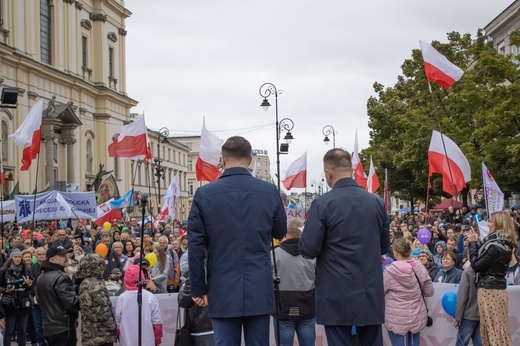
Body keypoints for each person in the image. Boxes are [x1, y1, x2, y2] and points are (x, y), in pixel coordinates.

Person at [188, 136, 287, 345]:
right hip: (258, 284)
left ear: (222, 160)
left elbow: (195, 245)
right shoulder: (268, 191)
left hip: (222, 286)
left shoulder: (204, 193)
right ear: (250, 160)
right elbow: (280, 230)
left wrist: (198, 287)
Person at [299, 148, 390, 345]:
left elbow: (307, 249)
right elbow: (384, 246)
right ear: (351, 170)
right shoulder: (375, 201)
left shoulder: (322, 204)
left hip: (336, 294)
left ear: (328, 173)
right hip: (369, 291)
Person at [468, 211, 515, 345]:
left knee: (493, 328)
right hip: (496, 288)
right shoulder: (504, 243)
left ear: (498, 224)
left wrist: (472, 244)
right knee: (496, 327)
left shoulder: (495, 246)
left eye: (490, 221)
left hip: (490, 290)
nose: (488, 225)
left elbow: (476, 265)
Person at [272, 218, 316, 346]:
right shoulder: (312, 255)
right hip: (307, 308)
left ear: (286, 233)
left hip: (283, 310)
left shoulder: (274, 255)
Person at [383, 238, 434, 345]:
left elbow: (380, 292)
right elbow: (429, 291)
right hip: (416, 316)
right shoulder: (420, 268)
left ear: (396, 253)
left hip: (396, 318)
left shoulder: (389, 271)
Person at [36, 245, 79, 345]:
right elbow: (72, 304)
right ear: (52, 259)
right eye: (62, 255)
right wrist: (82, 295)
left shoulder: (41, 276)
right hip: (63, 327)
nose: (66, 257)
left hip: (49, 327)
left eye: (66, 255)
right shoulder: (60, 277)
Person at [115, 264, 162, 346]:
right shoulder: (150, 297)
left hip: (127, 341)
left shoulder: (121, 298)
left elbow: (117, 323)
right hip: (147, 341)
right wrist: (157, 340)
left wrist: (120, 337)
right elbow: (157, 323)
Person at [78, 254, 117, 346]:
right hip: (101, 335)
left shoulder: (85, 283)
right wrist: (113, 326)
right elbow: (102, 311)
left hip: (89, 333)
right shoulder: (96, 285)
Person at [0, 248, 33, 346]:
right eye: (15, 257)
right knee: (9, 330)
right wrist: (6, 290)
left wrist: (29, 284)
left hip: (24, 303)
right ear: (11, 258)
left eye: (19, 257)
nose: (17, 259)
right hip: (10, 303)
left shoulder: (26, 270)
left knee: (22, 330)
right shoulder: (4, 270)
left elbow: (32, 285)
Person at [454, 266, 481, 346]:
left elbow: (462, 296)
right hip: (483, 315)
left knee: (461, 343)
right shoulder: (489, 271)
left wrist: (458, 318)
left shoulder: (467, 272)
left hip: (468, 315)